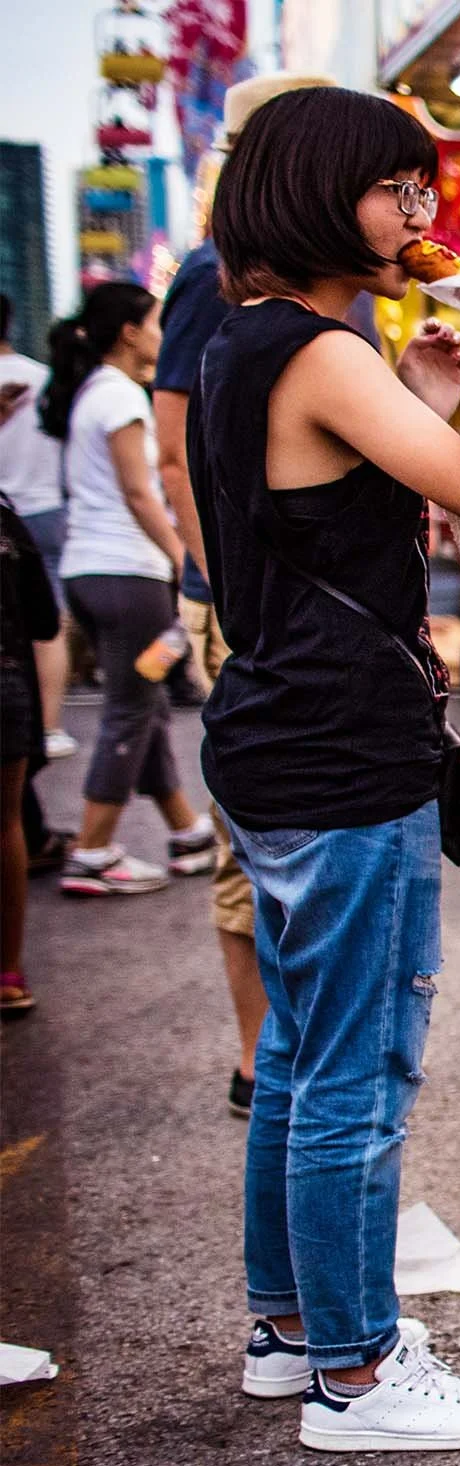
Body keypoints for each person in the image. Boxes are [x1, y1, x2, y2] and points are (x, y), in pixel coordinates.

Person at [194, 85, 460, 1450]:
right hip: (336, 740)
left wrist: (425, 385)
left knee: (303, 1056)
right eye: (395, 188)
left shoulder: (250, 339)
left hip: (276, 722)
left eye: (424, 189)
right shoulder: (321, 351)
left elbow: (324, 501)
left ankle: (290, 1326)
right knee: (360, 1067)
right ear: (318, 191)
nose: (418, 215)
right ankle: (361, 1376)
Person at [156, 72, 327, 1116]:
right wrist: (231, 594)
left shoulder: (311, 286)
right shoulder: (220, 278)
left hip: (283, 596)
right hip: (241, 596)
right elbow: (180, 448)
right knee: (252, 838)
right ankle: (258, 1055)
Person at [38, 283, 217, 897]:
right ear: (130, 333)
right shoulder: (120, 396)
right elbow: (143, 492)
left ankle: (187, 831)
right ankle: (92, 852)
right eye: (155, 322)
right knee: (131, 709)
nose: (165, 335)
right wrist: (185, 558)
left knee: (145, 705)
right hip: (128, 578)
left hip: (93, 576)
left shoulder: (92, 392)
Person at [0, 293, 72, 767]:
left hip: (6, 512)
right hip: (46, 506)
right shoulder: (40, 376)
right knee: (50, 624)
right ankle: (46, 728)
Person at [0, 493, 60, 1017]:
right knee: (5, 826)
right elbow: (44, 619)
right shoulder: (4, 518)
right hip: (4, 683)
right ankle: (8, 970)